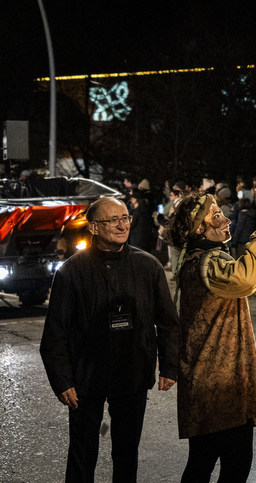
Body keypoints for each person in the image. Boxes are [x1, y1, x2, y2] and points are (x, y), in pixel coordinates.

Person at [40, 196, 179, 483]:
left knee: (127, 452)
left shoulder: (148, 266)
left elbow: (168, 322)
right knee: (82, 452)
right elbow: (55, 332)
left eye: (125, 218)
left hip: (132, 372)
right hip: (86, 376)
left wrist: (169, 366)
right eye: (113, 219)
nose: (122, 225)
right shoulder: (72, 271)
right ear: (93, 227)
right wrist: (62, 380)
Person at [160, 190, 256, 483]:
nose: (226, 220)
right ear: (198, 229)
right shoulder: (207, 262)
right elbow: (246, 276)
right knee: (227, 463)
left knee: (206, 462)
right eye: (216, 215)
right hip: (217, 382)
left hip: (214, 380)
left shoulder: (200, 258)